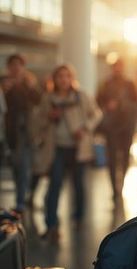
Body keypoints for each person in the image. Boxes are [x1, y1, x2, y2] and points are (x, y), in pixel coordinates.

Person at [33, 64, 102, 243]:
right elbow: (38, 120)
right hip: (57, 148)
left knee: (79, 185)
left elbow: (96, 114)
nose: (63, 80)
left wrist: (84, 128)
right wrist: (49, 116)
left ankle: (78, 218)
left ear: (71, 78)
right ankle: (51, 225)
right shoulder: (48, 98)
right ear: (54, 79)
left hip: (78, 148)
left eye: (66, 76)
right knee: (54, 186)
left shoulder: (81, 97)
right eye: (59, 76)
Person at [96, 58, 137, 204]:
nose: (118, 69)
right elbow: (99, 100)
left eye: (120, 66)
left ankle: (121, 186)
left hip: (127, 125)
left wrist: (120, 104)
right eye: (115, 66)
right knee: (112, 158)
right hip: (112, 126)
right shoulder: (106, 84)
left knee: (126, 156)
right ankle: (115, 189)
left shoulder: (130, 84)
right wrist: (107, 106)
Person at [3, 53, 41, 214]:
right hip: (9, 131)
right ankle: (23, 197)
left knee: (25, 165)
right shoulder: (4, 83)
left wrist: (30, 86)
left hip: (26, 131)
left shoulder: (29, 83)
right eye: (13, 65)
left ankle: (21, 201)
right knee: (16, 166)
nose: (16, 68)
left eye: (19, 65)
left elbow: (38, 100)